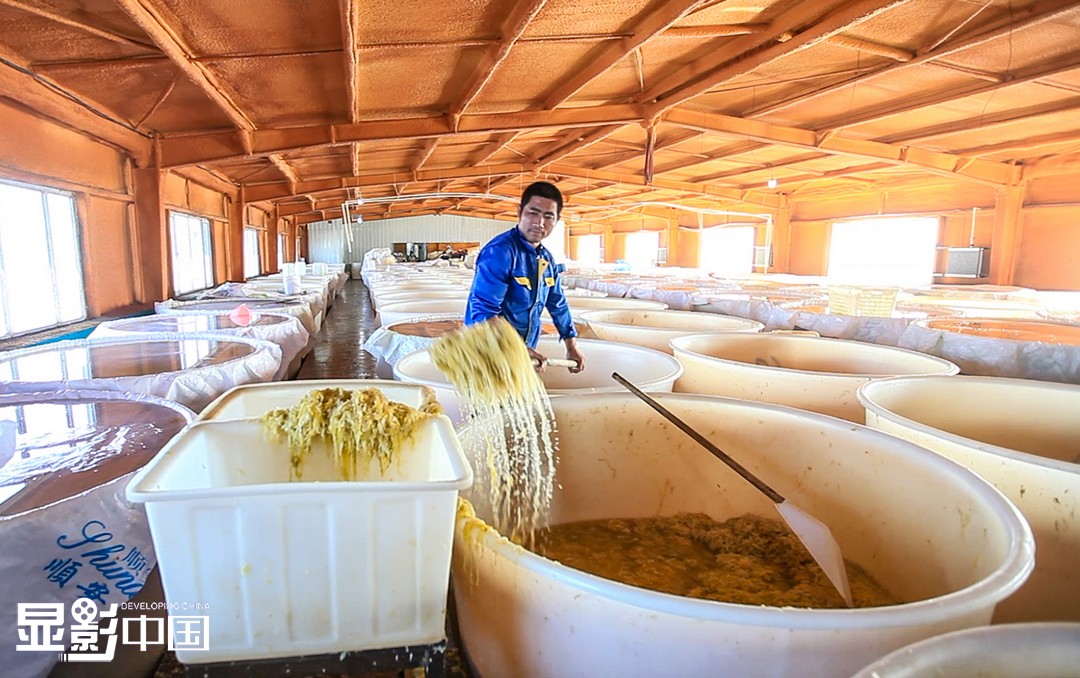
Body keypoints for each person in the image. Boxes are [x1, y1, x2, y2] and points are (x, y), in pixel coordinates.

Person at [465, 181, 585, 373]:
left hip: (524, 349)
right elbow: (483, 312)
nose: (540, 223)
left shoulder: (546, 259)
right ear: (519, 211)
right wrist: (517, 349)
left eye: (548, 216)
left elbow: (557, 303)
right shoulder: (500, 253)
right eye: (533, 213)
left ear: (557, 219)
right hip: (488, 352)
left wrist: (571, 346)